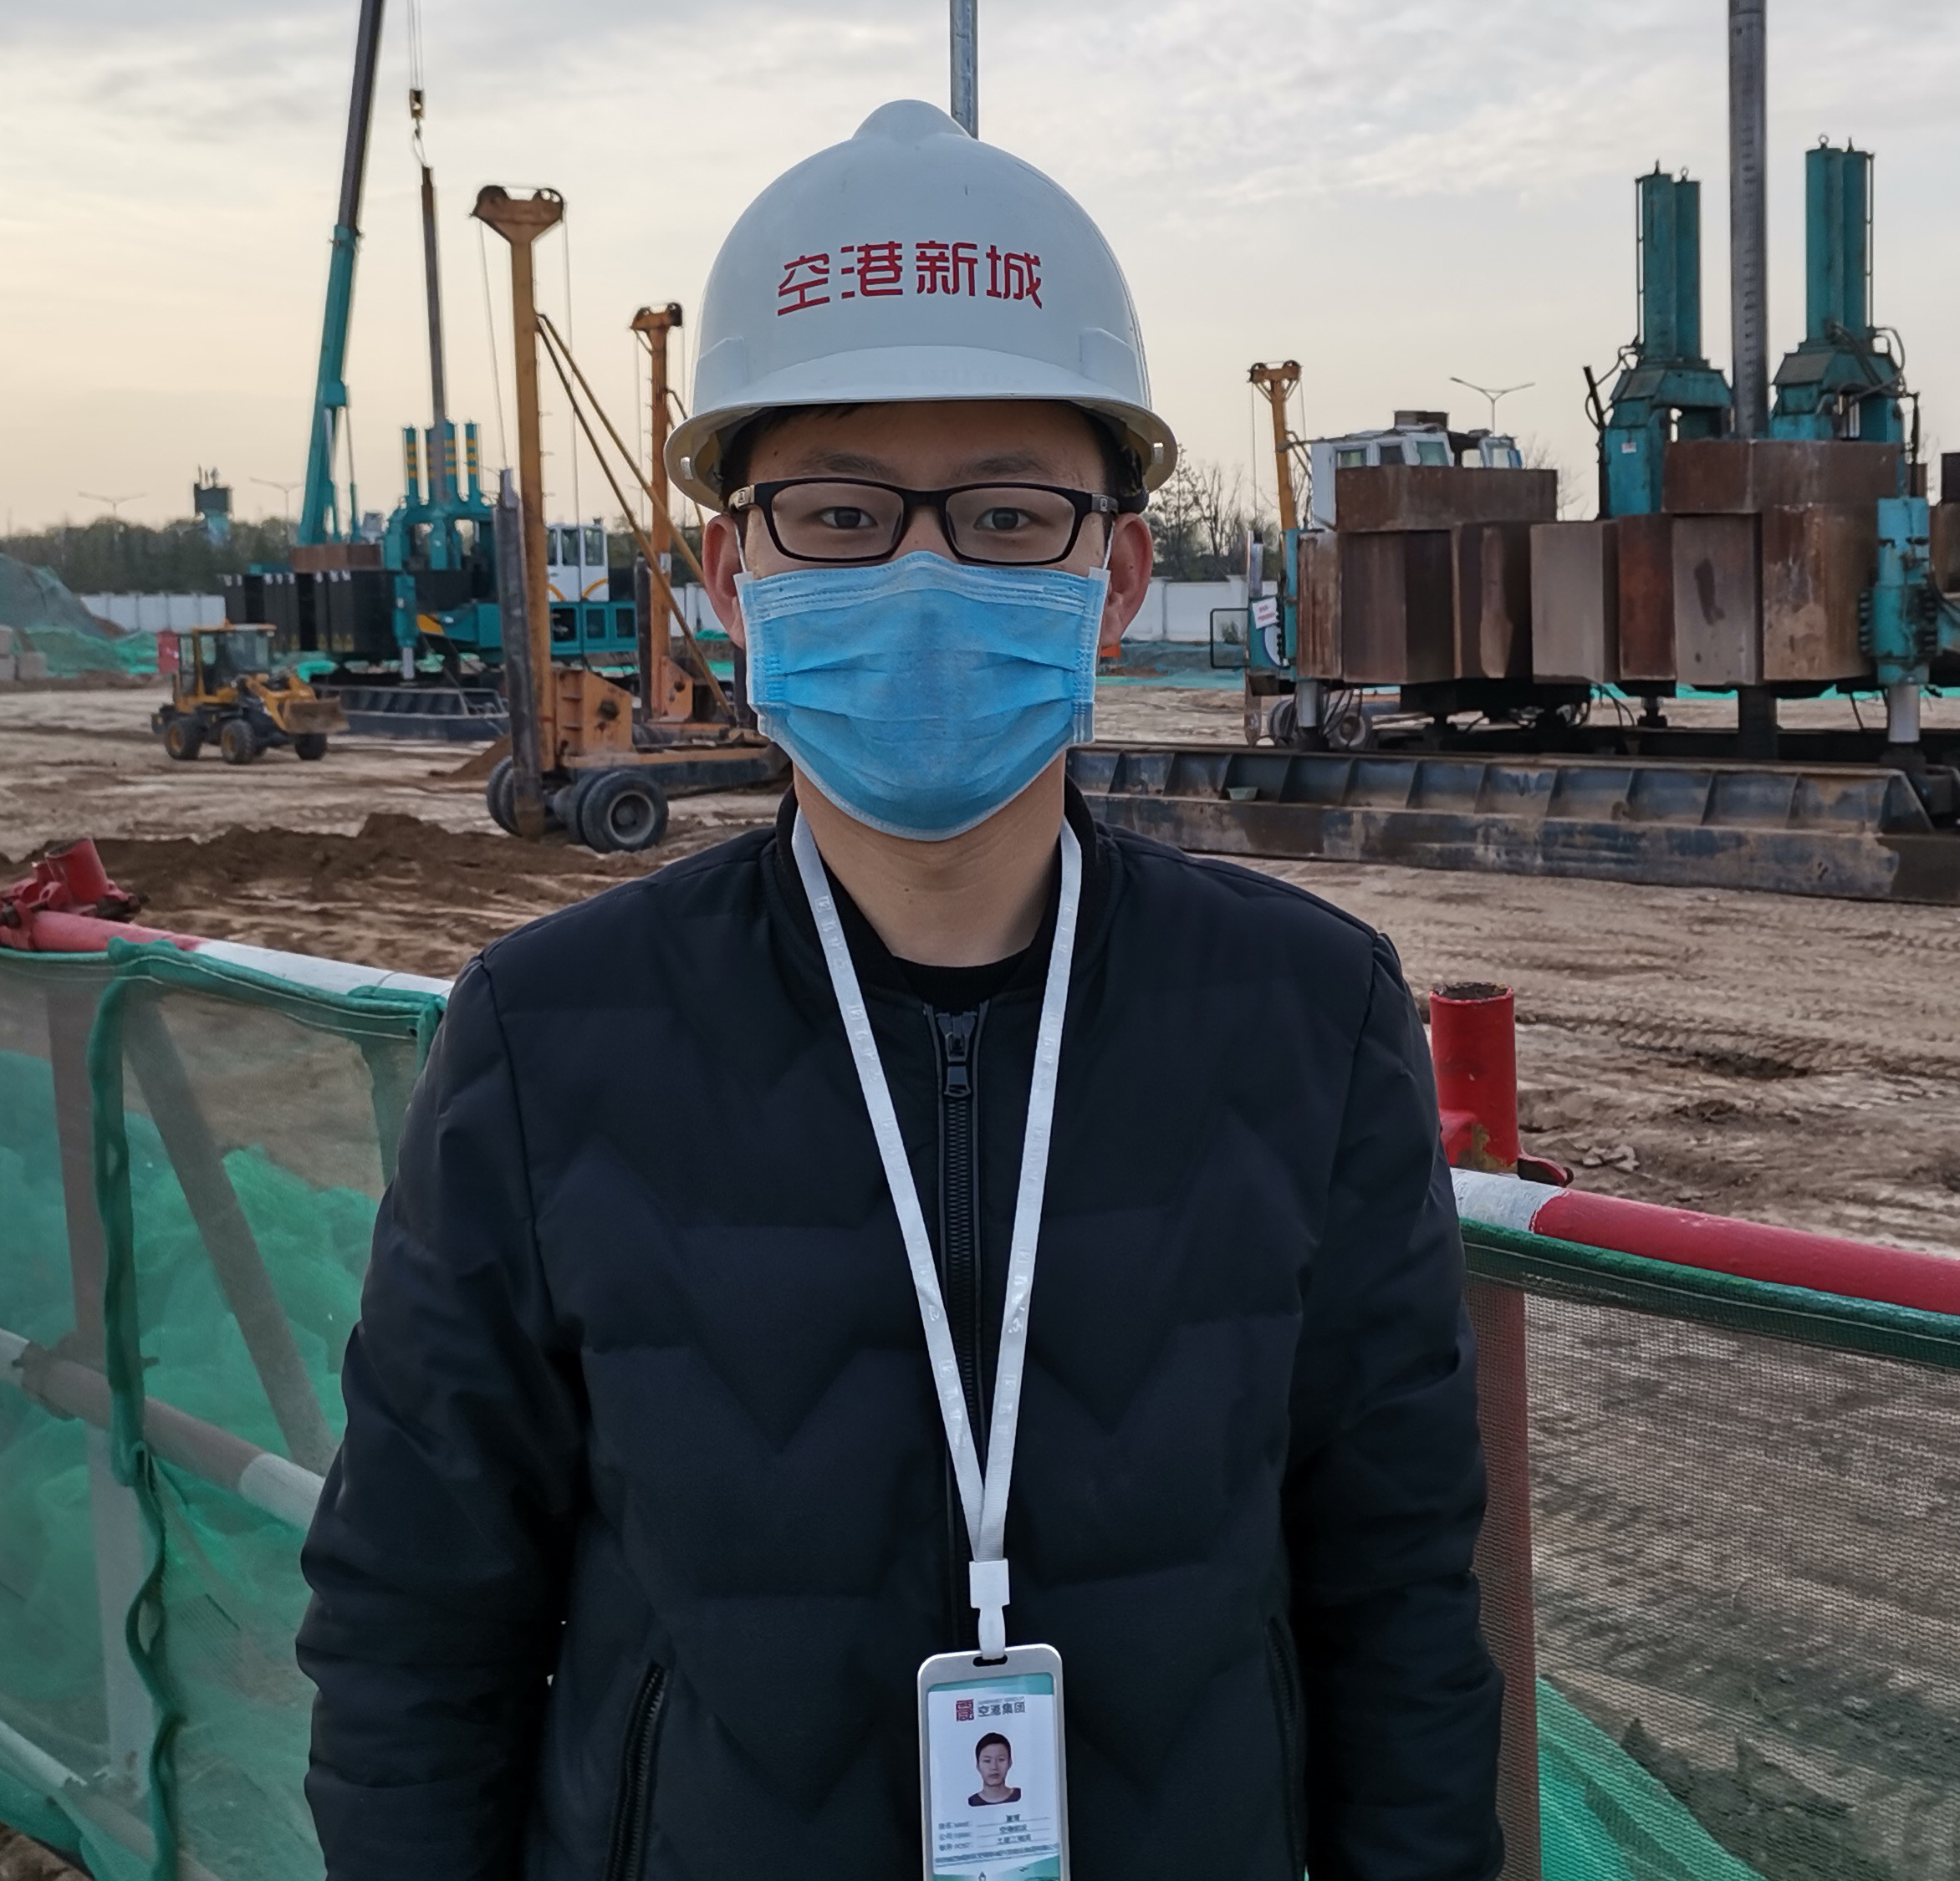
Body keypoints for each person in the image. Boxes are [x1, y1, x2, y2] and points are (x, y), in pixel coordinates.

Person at [298, 99, 1502, 1881]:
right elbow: (415, 1625)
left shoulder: (1307, 1020)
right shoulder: (550, 1040)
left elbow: (1395, 1602)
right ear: (733, 574)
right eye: (842, 515)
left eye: (1009, 515)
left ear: (1117, 576)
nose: (924, 575)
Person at [968, 1733, 1020, 1808]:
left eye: (1001, 1760)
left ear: (1010, 1763)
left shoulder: (1020, 1796)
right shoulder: (972, 1802)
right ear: (978, 1766)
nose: (994, 1767)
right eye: (987, 1761)